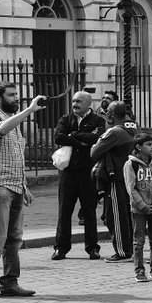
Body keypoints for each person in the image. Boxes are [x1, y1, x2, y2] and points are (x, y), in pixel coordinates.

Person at [0, 83, 46, 298]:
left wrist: (25, 186)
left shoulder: (17, 124)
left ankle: (10, 282)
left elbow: (17, 159)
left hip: (15, 187)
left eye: (16, 95)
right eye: (11, 95)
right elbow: (0, 129)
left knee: (14, 238)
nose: (16, 99)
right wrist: (30, 110)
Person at [51, 90, 106, 260]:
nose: (75, 104)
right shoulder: (66, 119)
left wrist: (73, 135)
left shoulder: (98, 121)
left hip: (87, 172)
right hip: (67, 172)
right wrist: (80, 140)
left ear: (89, 104)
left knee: (89, 211)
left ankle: (92, 248)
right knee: (64, 211)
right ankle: (61, 247)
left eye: (79, 102)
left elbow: (95, 139)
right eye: (74, 101)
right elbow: (58, 137)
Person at [90, 101, 139, 263]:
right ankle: (128, 248)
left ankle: (123, 251)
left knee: (115, 216)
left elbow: (94, 152)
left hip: (115, 177)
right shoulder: (134, 127)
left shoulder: (115, 132)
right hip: (130, 176)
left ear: (111, 114)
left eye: (107, 113)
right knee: (126, 214)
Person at [125, 134, 152, 282]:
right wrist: (142, 205)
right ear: (139, 147)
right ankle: (139, 270)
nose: (151, 148)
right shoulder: (131, 165)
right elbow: (131, 188)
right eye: (148, 145)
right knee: (139, 240)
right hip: (139, 210)